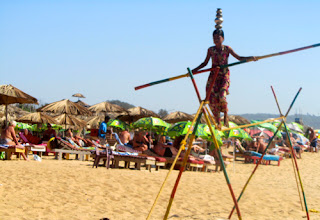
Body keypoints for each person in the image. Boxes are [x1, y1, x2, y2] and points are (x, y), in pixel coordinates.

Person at [191, 28, 256, 128]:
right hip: (214, 76)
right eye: (214, 38)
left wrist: (250, 58)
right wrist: (194, 70)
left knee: (222, 96)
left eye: (218, 37)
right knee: (211, 99)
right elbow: (204, 63)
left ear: (223, 38)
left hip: (224, 75)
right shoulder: (210, 50)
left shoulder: (227, 49)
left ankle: (225, 114)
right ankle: (218, 120)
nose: (216, 40)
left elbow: (239, 58)